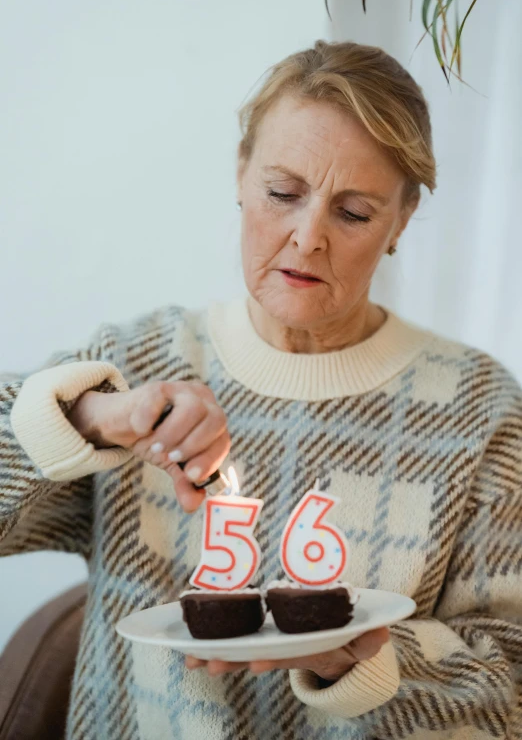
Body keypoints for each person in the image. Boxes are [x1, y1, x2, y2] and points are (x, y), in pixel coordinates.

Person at [2, 39, 521, 740]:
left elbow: (507, 685)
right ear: (241, 175)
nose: (307, 238)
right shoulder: (136, 362)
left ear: (402, 218)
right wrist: (96, 419)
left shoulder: (478, 408)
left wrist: (364, 666)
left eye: (355, 212)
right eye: (283, 193)